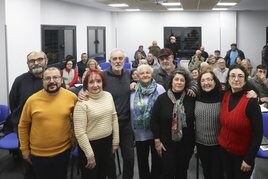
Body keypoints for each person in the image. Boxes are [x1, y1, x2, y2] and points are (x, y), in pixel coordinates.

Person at [18, 67, 77, 179]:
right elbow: (23, 126)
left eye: (55, 77)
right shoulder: (32, 100)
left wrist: (74, 139)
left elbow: (79, 120)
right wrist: (24, 150)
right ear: (42, 81)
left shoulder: (71, 97)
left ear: (61, 79)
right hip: (38, 155)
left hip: (63, 152)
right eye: (47, 78)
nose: (52, 81)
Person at [218, 65, 263, 179]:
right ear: (228, 79)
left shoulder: (251, 102)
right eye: (232, 76)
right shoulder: (225, 95)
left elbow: (258, 135)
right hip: (224, 152)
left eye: (240, 76)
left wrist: (249, 159)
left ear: (245, 80)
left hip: (242, 156)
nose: (236, 79)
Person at [9, 51, 48, 179]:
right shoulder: (19, 81)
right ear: (27, 64)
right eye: (32, 61)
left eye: (39, 59)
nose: (36, 63)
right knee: (30, 169)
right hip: (27, 135)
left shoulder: (53, 79)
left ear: (46, 61)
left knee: (50, 169)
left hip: (51, 134)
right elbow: (14, 105)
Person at [73, 69, 119, 179]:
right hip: (89, 146)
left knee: (106, 174)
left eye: (98, 81)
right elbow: (80, 133)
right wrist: (90, 155)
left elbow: (114, 117)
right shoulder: (82, 104)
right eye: (91, 82)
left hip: (107, 142)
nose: (95, 85)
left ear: (103, 82)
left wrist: (115, 141)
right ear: (86, 85)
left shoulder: (108, 96)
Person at [151, 67, 196, 179]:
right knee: (168, 172)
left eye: (182, 80)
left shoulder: (191, 98)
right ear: (171, 81)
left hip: (186, 144)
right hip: (166, 144)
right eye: (176, 79)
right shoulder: (162, 99)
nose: (179, 82)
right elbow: (154, 121)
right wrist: (157, 141)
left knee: (182, 172)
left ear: (186, 83)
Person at [103, 49, 135, 179]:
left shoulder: (129, 75)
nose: (117, 61)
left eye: (120, 58)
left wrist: (135, 83)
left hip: (126, 123)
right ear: (110, 61)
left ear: (124, 60)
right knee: (109, 160)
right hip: (108, 124)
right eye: (114, 59)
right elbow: (89, 88)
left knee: (129, 158)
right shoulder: (102, 76)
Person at [130, 64, 165, 179]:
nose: (145, 75)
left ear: (152, 74)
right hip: (140, 133)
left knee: (158, 162)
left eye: (147, 72)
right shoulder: (132, 90)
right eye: (142, 73)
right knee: (142, 162)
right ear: (138, 76)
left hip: (157, 133)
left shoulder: (160, 89)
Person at [195, 70, 224, 179]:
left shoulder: (223, 96)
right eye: (203, 80)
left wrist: (253, 94)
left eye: (209, 79)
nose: (206, 83)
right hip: (201, 143)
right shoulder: (196, 96)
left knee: (217, 174)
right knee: (206, 172)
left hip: (218, 144)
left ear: (215, 82)